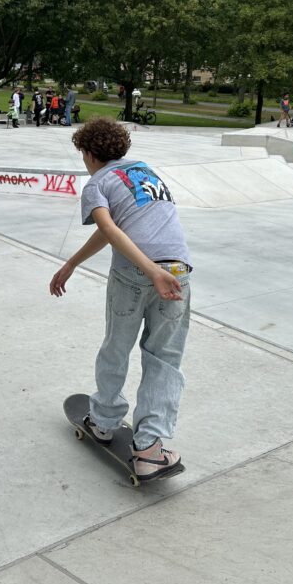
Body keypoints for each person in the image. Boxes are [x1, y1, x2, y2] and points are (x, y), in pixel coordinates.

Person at [49, 117, 192, 482]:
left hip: (136, 274)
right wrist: (72, 263)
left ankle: (103, 420)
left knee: (116, 346)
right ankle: (150, 450)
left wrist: (149, 270)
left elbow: (111, 228)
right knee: (165, 359)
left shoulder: (97, 183)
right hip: (177, 272)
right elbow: (113, 230)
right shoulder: (145, 171)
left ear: (88, 153)